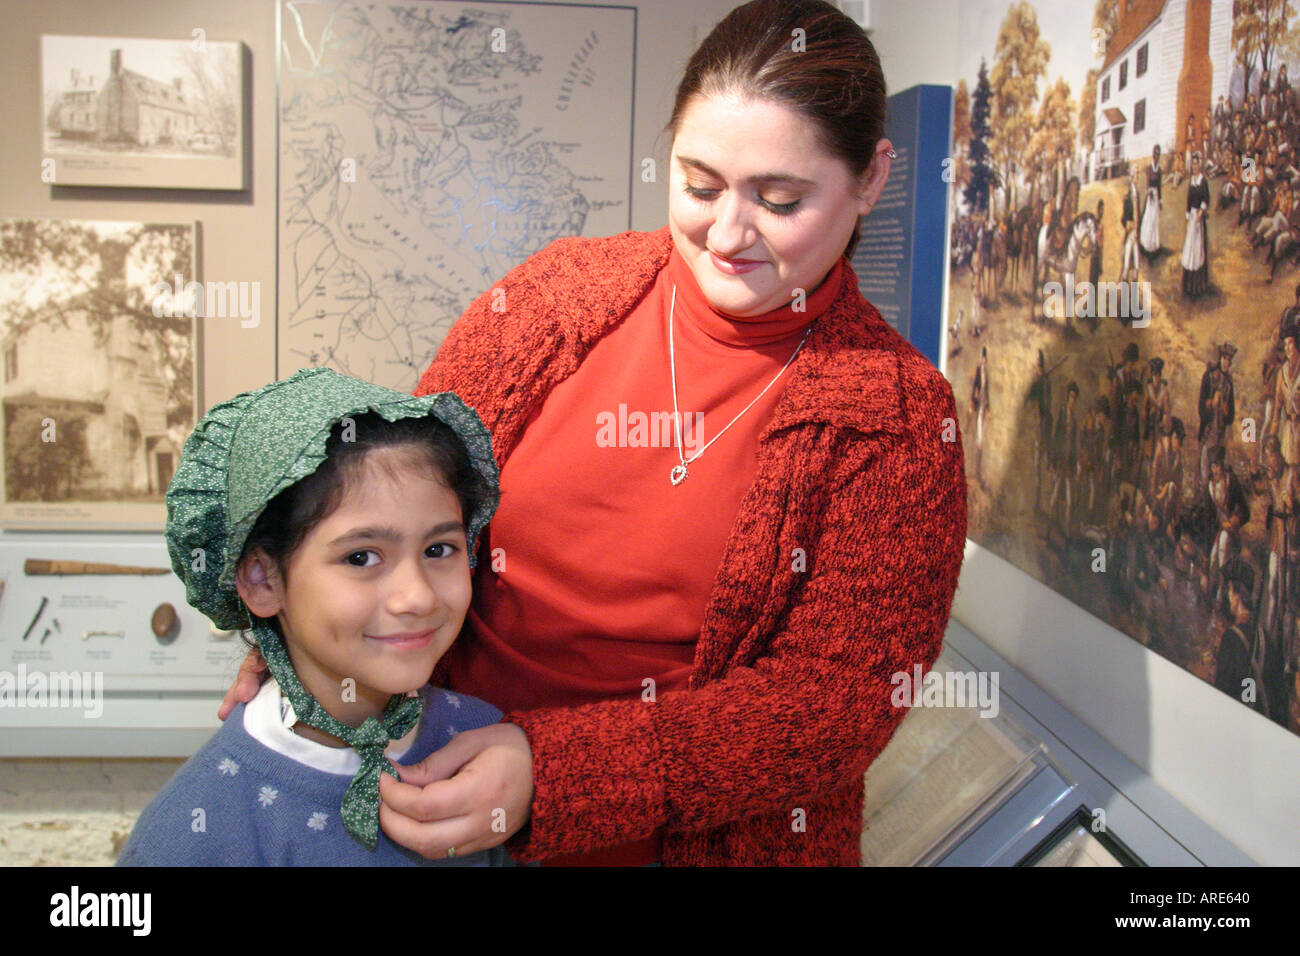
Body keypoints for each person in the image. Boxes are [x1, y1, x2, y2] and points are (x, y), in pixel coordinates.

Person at [221, 0, 967, 867]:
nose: (726, 234)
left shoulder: (900, 419)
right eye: (699, 184)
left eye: (780, 198)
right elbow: (389, 501)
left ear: (871, 179)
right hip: (432, 800)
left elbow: (832, 705)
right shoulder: (552, 299)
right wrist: (301, 645)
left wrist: (555, 773)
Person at [119, 368, 511, 866]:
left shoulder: (486, 751)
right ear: (263, 580)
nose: (417, 597)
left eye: (439, 548)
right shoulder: (195, 832)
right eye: (361, 557)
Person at [1182, 152, 1211, 297]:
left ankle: (1198, 286)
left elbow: (1206, 199)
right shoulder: (1191, 181)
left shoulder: (1202, 181)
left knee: (1198, 250)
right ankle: (1188, 285)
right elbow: (1188, 199)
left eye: (1196, 164)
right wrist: (1188, 214)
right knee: (1189, 248)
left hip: (1199, 219)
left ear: (1200, 165)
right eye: (1192, 164)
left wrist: (1202, 210)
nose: (1194, 166)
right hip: (1192, 217)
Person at [1140, 144, 1162, 259]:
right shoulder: (1149, 169)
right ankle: (1146, 243)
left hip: (1156, 195)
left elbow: (1159, 186)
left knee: (1155, 220)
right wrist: (1150, 194)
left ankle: (1154, 245)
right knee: (1148, 219)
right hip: (1150, 196)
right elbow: (1147, 184)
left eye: (1158, 154)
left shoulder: (1159, 170)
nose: (1156, 156)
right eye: (1155, 154)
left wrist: (1160, 200)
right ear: (1153, 155)